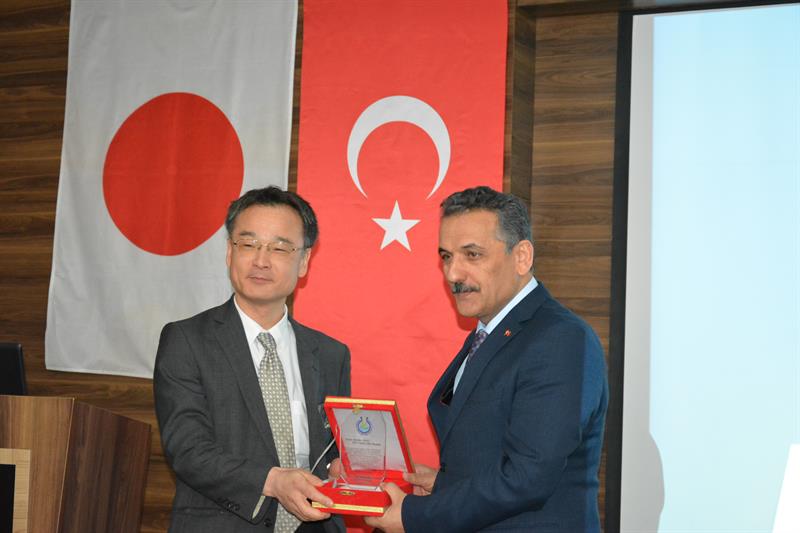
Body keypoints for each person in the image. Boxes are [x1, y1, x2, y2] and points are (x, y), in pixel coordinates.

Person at [366, 186, 608, 532]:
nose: (453, 274)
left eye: (472, 255)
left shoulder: (560, 339)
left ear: (521, 257)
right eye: (446, 256)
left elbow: (528, 477)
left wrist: (414, 515)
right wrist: (443, 486)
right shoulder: (491, 333)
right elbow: (490, 453)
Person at [154, 187, 350, 533]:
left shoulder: (332, 354)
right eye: (248, 244)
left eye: (279, 248)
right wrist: (273, 482)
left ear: (304, 261)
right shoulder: (186, 340)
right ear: (230, 252)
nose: (261, 260)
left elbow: (333, 450)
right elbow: (188, 449)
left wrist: (341, 469)